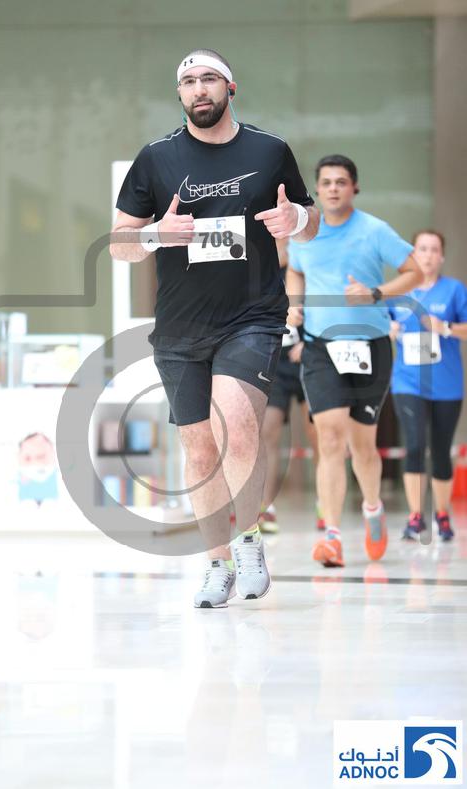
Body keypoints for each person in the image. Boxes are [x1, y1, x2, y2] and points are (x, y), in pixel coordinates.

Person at [110, 49, 319, 606]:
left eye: (209, 79)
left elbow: (311, 221)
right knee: (199, 450)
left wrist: (296, 219)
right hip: (180, 326)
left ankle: (249, 541)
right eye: (188, 81)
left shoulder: (269, 150)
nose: (198, 88)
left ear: (231, 88)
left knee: (240, 428)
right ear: (180, 94)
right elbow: (119, 244)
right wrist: (155, 234)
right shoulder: (155, 159)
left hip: (252, 316)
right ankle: (216, 563)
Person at [287, 154, 422, 568]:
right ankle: (331, 536)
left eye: (341, 182)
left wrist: (376, 293)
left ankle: (372, 507)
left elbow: (414, 271)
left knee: (363, 446)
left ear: (354, 188)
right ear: (317, 189)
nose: (333, 188)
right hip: (320, 347)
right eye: (326, 182)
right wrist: (293, 304)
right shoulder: (304, 234)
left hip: (370, 345)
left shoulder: (374, 230)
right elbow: (295, 271)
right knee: (330, 438)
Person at [389, 230, 467, 541]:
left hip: (447, 384)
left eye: (434, 249)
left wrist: (445, 327)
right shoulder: (398, 291)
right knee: (415, 445)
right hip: (407, 381)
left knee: (441, 449)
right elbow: (375, 324)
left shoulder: (454, 290)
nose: (428, 254)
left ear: (442, 256)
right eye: (422, 248)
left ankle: (442, 515)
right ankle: (415, 516)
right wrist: (387, 328)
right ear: (413, 254)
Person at [258, 241, 322, 535]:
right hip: (275, 362)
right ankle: (265, 507)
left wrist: (309, 342)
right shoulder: (259, 272)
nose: (279, 243)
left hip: (309, 360)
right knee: (267, 431)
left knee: (317, 433)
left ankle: (325, 502)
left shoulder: (305, 268)